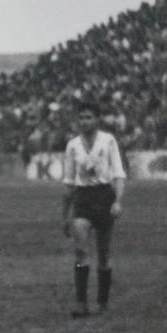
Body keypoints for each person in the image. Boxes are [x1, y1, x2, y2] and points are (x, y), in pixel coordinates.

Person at [61, 102, 125, 318]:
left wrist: (117, 201)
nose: (84, 122)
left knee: (104, 254)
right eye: (81, 118)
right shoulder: (72, 146)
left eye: (88, 117)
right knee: (80, 251)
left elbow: (118, 173)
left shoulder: (108, 141)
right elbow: (69, 182)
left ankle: (103, 302)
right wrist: (64, 216)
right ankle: (81, 303)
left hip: (104, 197)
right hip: (83, 199)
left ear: (98, 119)